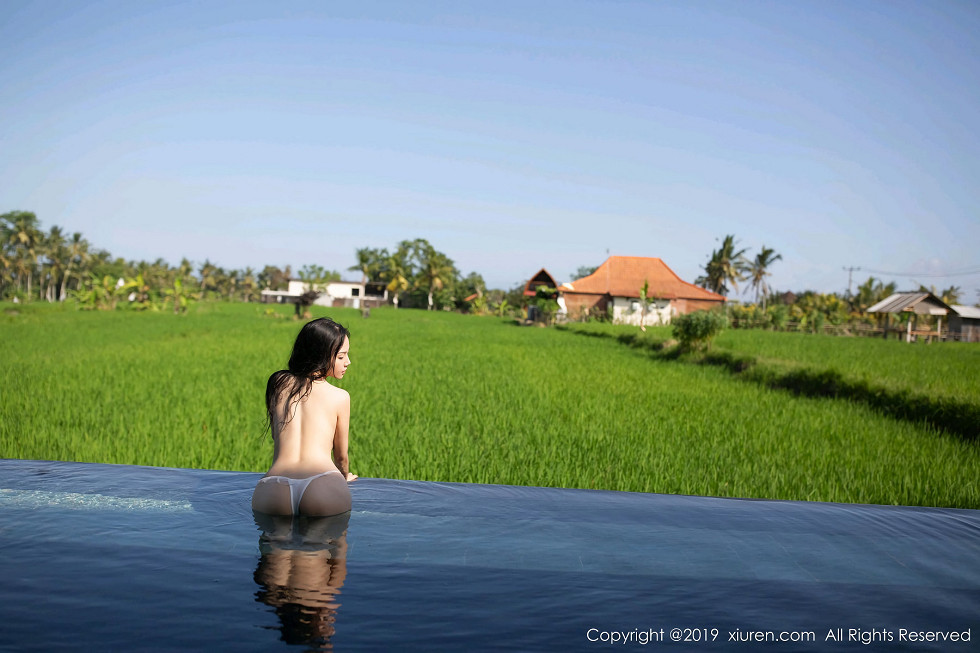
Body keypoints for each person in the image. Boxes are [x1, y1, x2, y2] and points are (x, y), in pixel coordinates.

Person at [252, 317, 357, 517]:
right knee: (334, 544)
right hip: (323, 483)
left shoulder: (278, 384)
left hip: (273, 487)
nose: (348, 362)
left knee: (274, 545)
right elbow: (341, 457)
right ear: (322, 355)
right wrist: (343, 476)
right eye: (342, 356)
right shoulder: (340, 397)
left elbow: (277, 435)